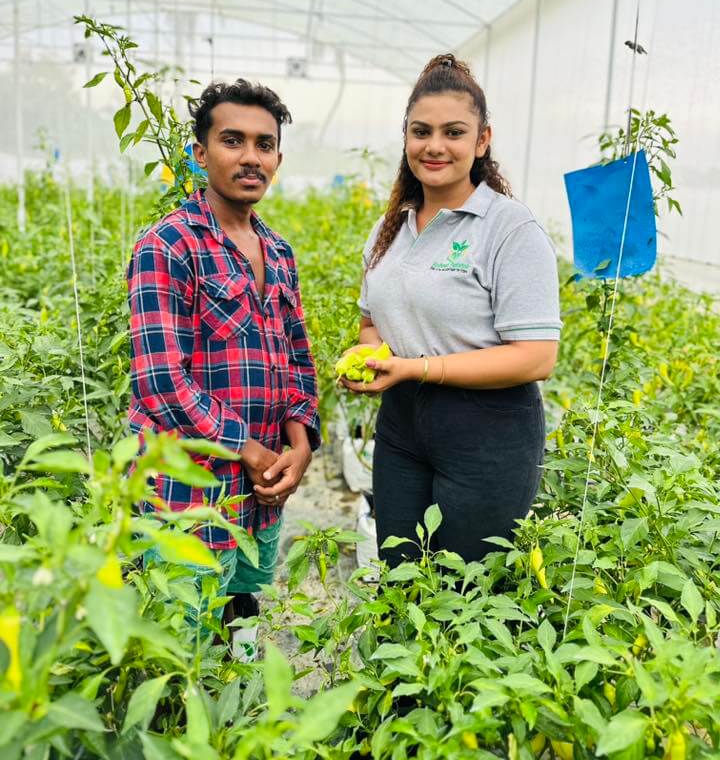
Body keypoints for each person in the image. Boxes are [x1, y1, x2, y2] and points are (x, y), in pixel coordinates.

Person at [341, 54, 561, 567]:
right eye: (421, 131)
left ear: (482, 140)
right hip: (402, 425)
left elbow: (535, 357)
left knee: (465, 589)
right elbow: (372, 322)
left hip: (488, 432)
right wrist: (369, 357)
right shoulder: (389, 229)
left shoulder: (508, 230)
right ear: (405, 138)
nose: (434, 146)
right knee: (400, 574)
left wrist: (414, 367)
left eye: (453, 132)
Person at [127, 79, 320, 652]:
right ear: (200, 153)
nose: (250, 157)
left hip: (259, 496)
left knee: (239, 621)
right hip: (189, 494)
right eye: (232, 141)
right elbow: (160, 382)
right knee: (176, 642)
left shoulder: (279, 251)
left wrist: (301, 441)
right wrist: (249, 449)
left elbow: (297, 357)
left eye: (264, 144)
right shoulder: (168, 246)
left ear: (278, 159)